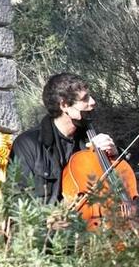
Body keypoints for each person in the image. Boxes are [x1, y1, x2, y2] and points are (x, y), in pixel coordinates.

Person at [9, 73, 97, 203]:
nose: (93, 102)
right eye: (85, 99)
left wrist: (113, 154)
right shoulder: (28, 144)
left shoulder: (89, 139)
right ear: (64, 105)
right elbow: (18, 198)